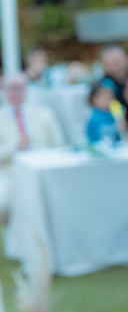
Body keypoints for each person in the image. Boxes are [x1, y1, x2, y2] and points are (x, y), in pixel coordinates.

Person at [0, 73, 66, 218]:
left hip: (42, 169)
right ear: (4, 91)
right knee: (2, 203)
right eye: (10, 88)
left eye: (18, 88)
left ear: (26, 90)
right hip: (10, 172)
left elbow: (59, 145)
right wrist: (14, 147)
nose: (15, 93)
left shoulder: (45, 114)